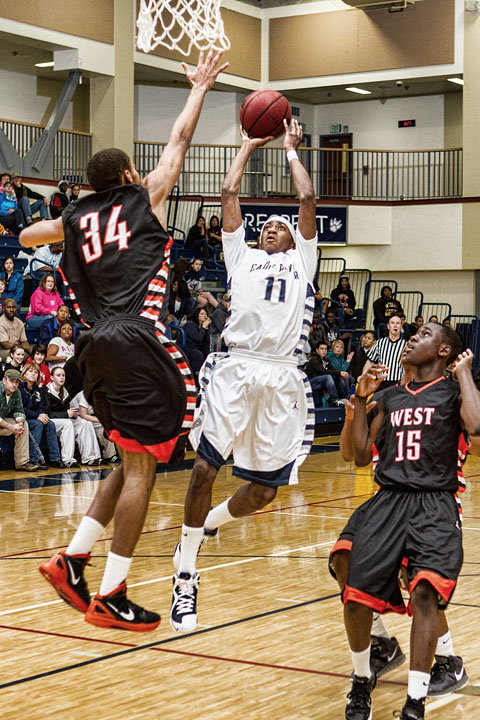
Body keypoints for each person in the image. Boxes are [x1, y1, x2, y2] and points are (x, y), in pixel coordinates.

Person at [21, 49, 228, 632]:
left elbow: (33, 231)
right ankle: (111, 592)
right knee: (145, 467)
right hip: (139, 338)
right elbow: (180, 139)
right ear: (130, 178)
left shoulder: (78, 218)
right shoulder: (144, 197)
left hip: (95, 345)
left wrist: (66, 216)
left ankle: (74, 557)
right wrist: (200, 88)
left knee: (131, 456)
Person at [170, 118, 318, 633]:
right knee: (205, 470)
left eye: (278, 227)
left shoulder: (304, 259)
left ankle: (210, 524)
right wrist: (245, 146)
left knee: (263, 493)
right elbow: (229, 190)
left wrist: (291, 151)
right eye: (265, 226)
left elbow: (306, 199)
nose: (269, 229)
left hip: (283, 377)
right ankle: (185, 572)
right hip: (237, 368)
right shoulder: (242, 257)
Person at [343, 324, 480, 720]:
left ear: (443, 350)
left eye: (422, 334)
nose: (412, 339)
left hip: (434, 502)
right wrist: (359, 398)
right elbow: (359, 454)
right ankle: (362, 678)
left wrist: (465, 372)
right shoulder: (389, 397)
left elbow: (476, 424)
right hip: (388, 500)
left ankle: (415, 704)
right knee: (352, 585)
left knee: (424, 592)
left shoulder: (454, 392)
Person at [45, 366, 99, 467]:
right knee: (68, 423)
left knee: (84, 422)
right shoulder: (46, 391)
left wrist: (73, 414)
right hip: (50, 421)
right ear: (52, 377)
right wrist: (66, 414)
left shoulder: (65, 392)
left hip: (63, 419)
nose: (61, 378)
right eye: (58, 375)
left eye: (63, 375)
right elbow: (47, 413)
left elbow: (67, 411)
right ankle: (68, 459)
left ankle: (88, 458)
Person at [19, 364, 64, 470]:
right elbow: (21, 409)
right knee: (38, 424)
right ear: (24, 374)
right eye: (30, 371)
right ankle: (34, 459)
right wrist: (37, 415)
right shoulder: (20, 389)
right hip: (23, 418)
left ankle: (55, 458)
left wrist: (42, 415)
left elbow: (42, 407)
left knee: (50, 424)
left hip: (35, 417)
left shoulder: (38, 390)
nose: (33, 374)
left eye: (36, 372)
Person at [0, 368, 37, 471]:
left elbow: (19, 410)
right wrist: (12, 427)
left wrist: (19, 423)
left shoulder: (17, 393)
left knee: (24, 424)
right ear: (4, 380)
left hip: (2, 423)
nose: (14, 385)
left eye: (17, 382)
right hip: (2, 423)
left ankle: (22, 462)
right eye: (11, 381)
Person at [363, 314, 406, 389]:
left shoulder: (406, 345)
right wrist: (363, 376)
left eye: (397, 323)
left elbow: (411, 366)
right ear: (388, 326)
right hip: (381, 382)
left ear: (401, 327)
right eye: (392, 323)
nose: (395, 325)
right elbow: (370, 362)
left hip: (398, 383)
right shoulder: (380, 343)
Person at [304, 341, 339, 407]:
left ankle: (345, 398)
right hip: (311, 383)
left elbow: (334, 370)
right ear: (317, 350)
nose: (324, 351)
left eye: (325, 349)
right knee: (328, 377)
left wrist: (341, 373)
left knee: (339, 377)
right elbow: (323, 372)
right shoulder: (314, 359)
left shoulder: (326, 359)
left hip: (320, 382)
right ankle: (334, 400)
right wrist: (339, 373)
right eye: (322, 349)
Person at [183, 307, 211, 377]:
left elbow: (206, 341)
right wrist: (204, 328)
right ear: (197, 315)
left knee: (206, 352)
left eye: (206, 314)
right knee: (198, 355)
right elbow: (197, 338)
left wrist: (206, 328)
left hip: (196, 347)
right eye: (202, 314)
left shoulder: (201, 326)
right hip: (187, 347)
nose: (205, 316)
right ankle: (194, 377)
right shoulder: (189, 324)